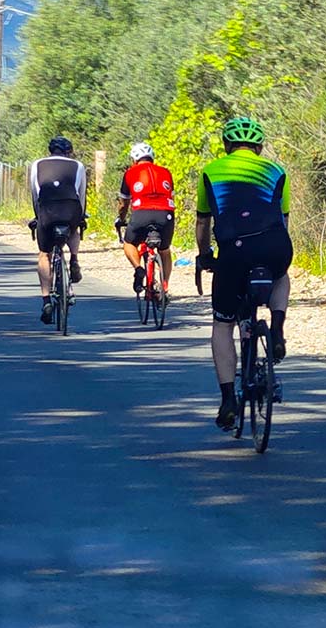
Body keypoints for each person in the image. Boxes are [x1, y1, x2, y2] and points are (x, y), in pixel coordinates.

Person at [195, 117, 293, 430]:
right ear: (259, 147)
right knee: (280, 274)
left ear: (226, 145)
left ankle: (227, 400)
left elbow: (203, 223)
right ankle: (277, 328)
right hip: (275, 245)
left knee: (223, 325)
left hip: (234, 252)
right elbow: (284, 218)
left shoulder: (210, 171)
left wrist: (205, 255)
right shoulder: (277, 171)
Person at [29, 136, 87, 325]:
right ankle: (75, 259)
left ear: (50, 151)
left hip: (47, 210)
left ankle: (46, 299)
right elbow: (81, 193)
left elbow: (35, 192)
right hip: (71, 210)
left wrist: (38, 217)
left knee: (44, 254)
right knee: (75, 228)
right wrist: (81, 217)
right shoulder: (78, 166)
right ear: (69, 152)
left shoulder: (37, 164)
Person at [115, 142, 175, 295]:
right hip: (165, 214)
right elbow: (171, 196)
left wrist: (121, 219)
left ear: (134, 160)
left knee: (129, 243)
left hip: (141, 213)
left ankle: (138, 268)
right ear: (152, 158)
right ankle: (164, 287)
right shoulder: (166, 172)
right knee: (165, 250)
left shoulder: (130, 173)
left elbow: (124, 203)